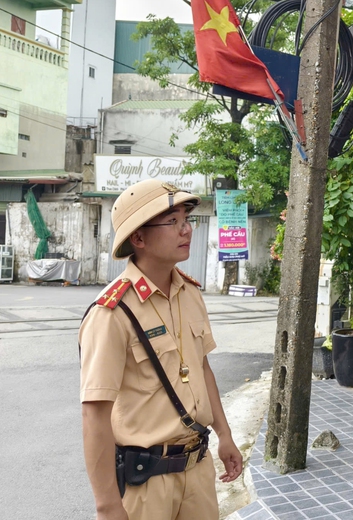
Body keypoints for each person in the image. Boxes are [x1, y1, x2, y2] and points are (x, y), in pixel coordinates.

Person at [79, 179, 243, 520]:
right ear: (138, 238)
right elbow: (94, 413)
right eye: (173, 221)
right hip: (145, 484)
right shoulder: (112, 312)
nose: (186, 229)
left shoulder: (190, 293)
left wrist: (224, 435)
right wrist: (108, 506)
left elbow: (202, 369)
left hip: (197, 469)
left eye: (187, 219)